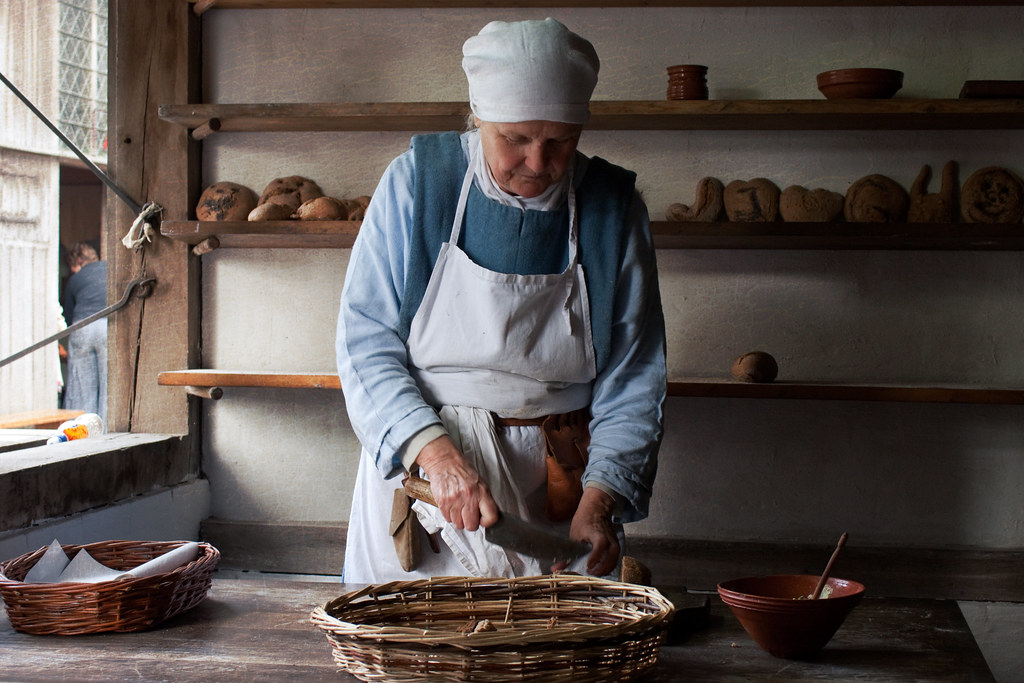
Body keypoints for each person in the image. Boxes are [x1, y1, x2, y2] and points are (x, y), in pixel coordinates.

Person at [336, 18, 665, 583]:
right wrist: (437, 458)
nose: (538, 164)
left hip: (564, 491)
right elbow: (365, 343)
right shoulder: (418, 183)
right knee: (419, 655)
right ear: (478, 118)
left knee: (556, 660)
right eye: (514, 139)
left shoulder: (613, 207)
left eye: (559, 141)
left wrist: (602, 494)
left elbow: (634, 376)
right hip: (436, 484)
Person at [62, 241, 107, 425]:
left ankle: (81, 431)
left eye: (73, 267)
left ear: (79, 261)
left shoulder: (75, 279)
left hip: (82, 327)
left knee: (82, 385)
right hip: (109, 326)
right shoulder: (110, 268)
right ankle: (107, 433)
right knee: (108, 385)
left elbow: (69, 316)